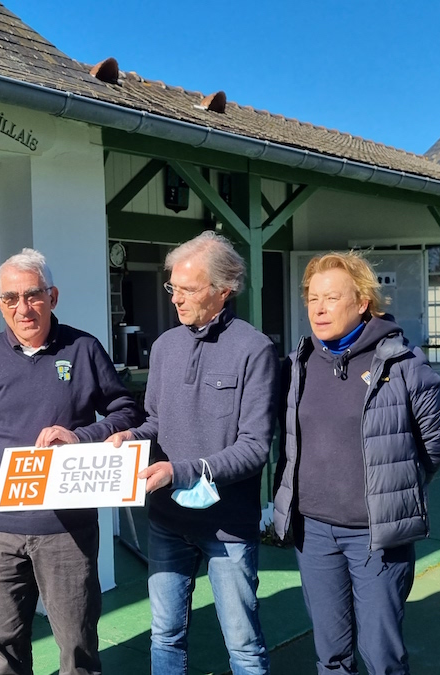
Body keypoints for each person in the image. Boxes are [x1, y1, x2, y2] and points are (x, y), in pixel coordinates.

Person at [0, 248, 142, 675]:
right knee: (4, 649)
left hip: (66, 528)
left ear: (52, 297)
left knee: (77, 646)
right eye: (11, 298)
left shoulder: (83, 349)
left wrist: (79, 436)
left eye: (33, 295)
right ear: (0, 303)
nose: (23, 308)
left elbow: (127, 413)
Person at [272, 251, 440, 675]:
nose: (319, 308)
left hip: (376, 535)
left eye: (332, 298)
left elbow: (436, 442)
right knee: (330, 655)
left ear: (362, 302)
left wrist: (396, 489)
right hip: (314, 532)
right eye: (313, 298)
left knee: (380, 653)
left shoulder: (403, 363)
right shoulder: (298, 365)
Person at [107, 231, 279, 675]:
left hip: (227, 526)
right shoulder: (165, 346)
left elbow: (254, 448)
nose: (176, 298)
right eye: (173, 287)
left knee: (243, 647)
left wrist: (179, 471)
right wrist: (131, 437)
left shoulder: (254, 349)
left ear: (224, 289)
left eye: (188, 288)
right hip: (167, 520)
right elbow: (157, 422)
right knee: (165, 636)